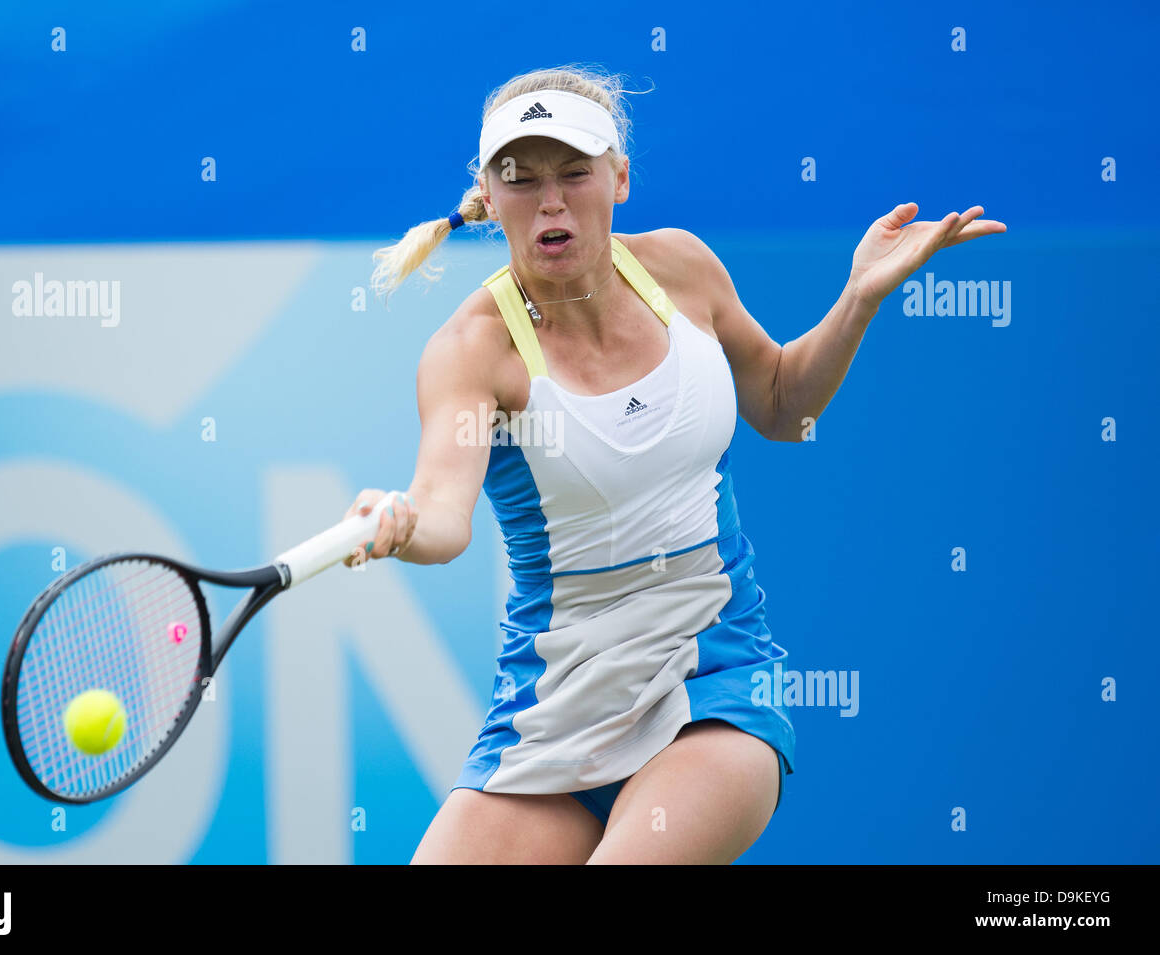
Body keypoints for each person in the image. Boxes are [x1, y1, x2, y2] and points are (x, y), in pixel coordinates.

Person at [343, 64, 1005, 864]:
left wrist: (858, 298)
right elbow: (443, 512)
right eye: (521, 179)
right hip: (548, 719)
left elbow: (783, 405)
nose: (551, 200)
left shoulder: (683, 268)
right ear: (489, 194)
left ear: (618, 176)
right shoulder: (470, 350)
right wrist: (401, 524)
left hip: (714, 688)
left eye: (574, 173)